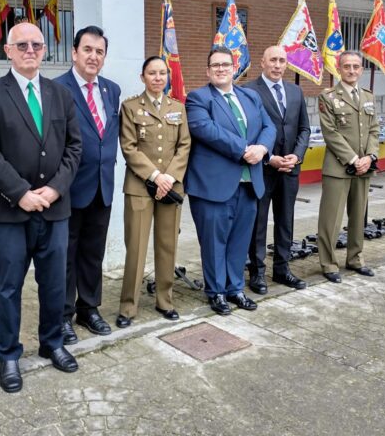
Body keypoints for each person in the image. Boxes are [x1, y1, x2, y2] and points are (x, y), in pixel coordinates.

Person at [0, 22, 82, 393]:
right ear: (7, 50)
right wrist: (21, 193)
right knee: (9, 287)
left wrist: (53, 190)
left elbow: (73, 148)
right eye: (22, 45)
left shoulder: (60, 94)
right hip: (8, 211)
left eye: (37, 44)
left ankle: (52, 343)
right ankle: (8, 354)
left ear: (45, 49)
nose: (30, 50)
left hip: (54, 209)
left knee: (54, 283)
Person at [185, 46, 276, 315]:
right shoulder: (198, 98)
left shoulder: (250, 96)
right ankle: (216, 292)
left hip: (248, 184)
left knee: (239, 240)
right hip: (213, 186)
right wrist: (243, 149)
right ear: (208, 71)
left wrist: (261, 149)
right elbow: (206, 130)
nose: (221, 69)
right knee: (214, 243)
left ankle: (235, 288)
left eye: (226, 64)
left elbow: (269, 127)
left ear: (234, 68)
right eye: (216, 65)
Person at [54, 26, 121, 344]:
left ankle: (89, 308)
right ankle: (64, 315)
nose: (94, 56)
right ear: (74, 52)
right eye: (88, 49)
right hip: (68, 188)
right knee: (66, 253)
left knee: (93, 253)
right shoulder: (56, 89)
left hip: (101, 185)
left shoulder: (112, 90)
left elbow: (107, 134)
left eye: (100, 51)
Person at [117, 56, 191, 328]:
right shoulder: (130, 107)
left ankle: (165, 300)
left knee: (167, 245)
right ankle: (128, 306)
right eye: (152, 73)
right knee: (135, 248)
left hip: (170, 187)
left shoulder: (177, 108)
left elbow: (184, 145)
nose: (158, 78)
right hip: (140, 187)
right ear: (143, 77)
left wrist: (169, 177)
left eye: (162, 73)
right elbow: (129, 147)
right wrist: (156, 176)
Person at [245, 45, 310, 293]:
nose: (277, 65)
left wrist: (298, 155)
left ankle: (283, 269)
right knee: (258, 222)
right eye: (273, 60)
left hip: (290, 169)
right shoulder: (249, 91)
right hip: (263, 168)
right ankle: (257, 273)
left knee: (286, 221)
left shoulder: (295, 91)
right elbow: (249, 130)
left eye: (282, 61)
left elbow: (304, 128)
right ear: (262, 62)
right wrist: (268, 156)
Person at [316, 50, 380, 283]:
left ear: (361, 69)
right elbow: (330, 133)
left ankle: (355, 258)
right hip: (339, 168)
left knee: (357, 216)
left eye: (356, 66)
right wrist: (354, 159)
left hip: (365, 167)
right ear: (338, 68)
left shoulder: (368, 96)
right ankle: (328, 263)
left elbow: (374, 129)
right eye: (347, 66)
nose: (351, 70)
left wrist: (371, 157)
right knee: (331, 218)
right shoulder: (328, 96)